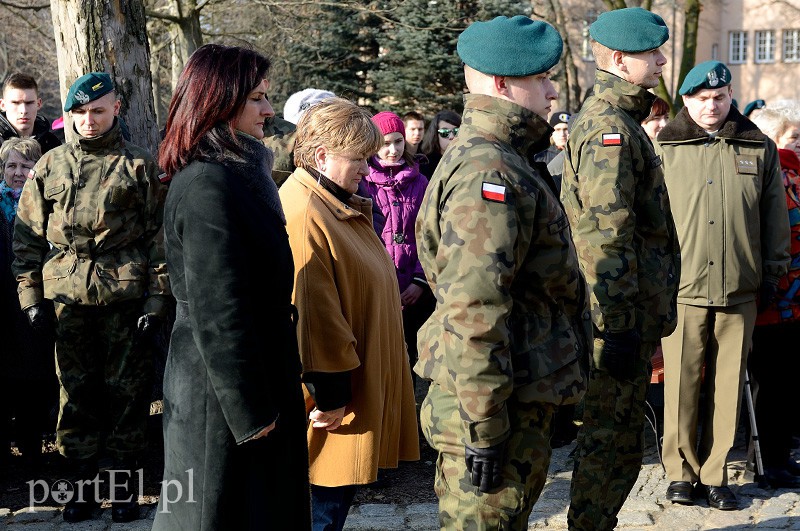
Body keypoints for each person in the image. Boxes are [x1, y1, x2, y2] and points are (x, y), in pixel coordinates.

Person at [415, 16, 591, 528]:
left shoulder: (506, 158)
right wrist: (486, 427)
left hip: (515, 393)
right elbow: (475, 309)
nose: (552, 89)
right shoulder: (489, 171)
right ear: (501, 84)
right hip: (494, 406)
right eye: (540, 78)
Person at [151, 44, 311, 531]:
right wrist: (251, 413)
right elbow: (217, 311)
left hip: (253, 383)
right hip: (220, 402)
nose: (268, 110)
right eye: (258, 99)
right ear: (220, 101)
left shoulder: (237, 171)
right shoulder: (207, 184)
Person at [12, 72, 169, 523]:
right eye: (79, 112)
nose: (88, 121)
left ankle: (122, 490)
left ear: (116, 108)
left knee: (127, 396)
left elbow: (160, 240)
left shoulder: (139, 165)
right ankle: (78, 490)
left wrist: (158, 301)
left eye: (97, 110)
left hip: (126, 298)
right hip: (67, 301)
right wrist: (31, 299)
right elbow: (26, 238)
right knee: (75, 395)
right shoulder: (50, 166)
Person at [559, 8, 680, 530]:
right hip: (615, 321)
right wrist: (618, 325)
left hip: (626, 317)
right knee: (611, 443)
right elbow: (605, 237)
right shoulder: (610, 129)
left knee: (619, 443)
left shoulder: (622, 120)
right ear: (615, 59)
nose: (660, 59)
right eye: (650, 53)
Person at [279, 97, 420, 531]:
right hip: (332, 403)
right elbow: (315, 317)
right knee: (320, 510)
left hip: (347, 392)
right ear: (322, 155)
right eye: (358, 158)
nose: (367, 168)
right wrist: (332, 395)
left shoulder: (332, 201)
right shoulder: (306, 212)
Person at [657, 61, 790, 510]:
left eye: (720, 97)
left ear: (731, 95)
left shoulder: (757, 146)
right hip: (683, 288)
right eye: (701, 98)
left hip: (740, 286)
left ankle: (715, 474)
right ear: (686, 101)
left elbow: (774, 216)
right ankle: (680, 472)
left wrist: (773, 271)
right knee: (681, 385)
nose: (711, 106)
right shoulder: (665, 148)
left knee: (728, 385)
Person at [361, 111, 433, 390]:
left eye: (398, 142)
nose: (393, 150)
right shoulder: (363, 182)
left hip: (413, 289)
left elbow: (428, 234)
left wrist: (419, 280)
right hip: (378, 286)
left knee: (413, 355)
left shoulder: (421, 182)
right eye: (385, 143)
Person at [748, 106, 800, 489]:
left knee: (784, 383)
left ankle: (778, 458)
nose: (798, 144)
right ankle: (767, 462)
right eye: (792, 137)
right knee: (770, 383)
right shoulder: (775, 176)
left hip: (792, 299)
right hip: (773, 296)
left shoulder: (794, 174)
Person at [0, 138, 56, 477]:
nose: (18, 173)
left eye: (25, 166)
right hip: (2, 309)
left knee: (35, 383)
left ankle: (34, 453)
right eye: (11, 166)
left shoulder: (47, 208)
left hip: (35, 308)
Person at [0, 73, 61, 154]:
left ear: (38, 104)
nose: (24, 110)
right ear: (3, 105)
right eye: (16, 103)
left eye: (29, 103)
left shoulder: (52, 145)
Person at [418, 109, 460, 178]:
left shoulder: (468, 160)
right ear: (436, 135)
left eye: (456, 131)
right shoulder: (425, 164)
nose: (451, 137)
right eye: (445, 132)